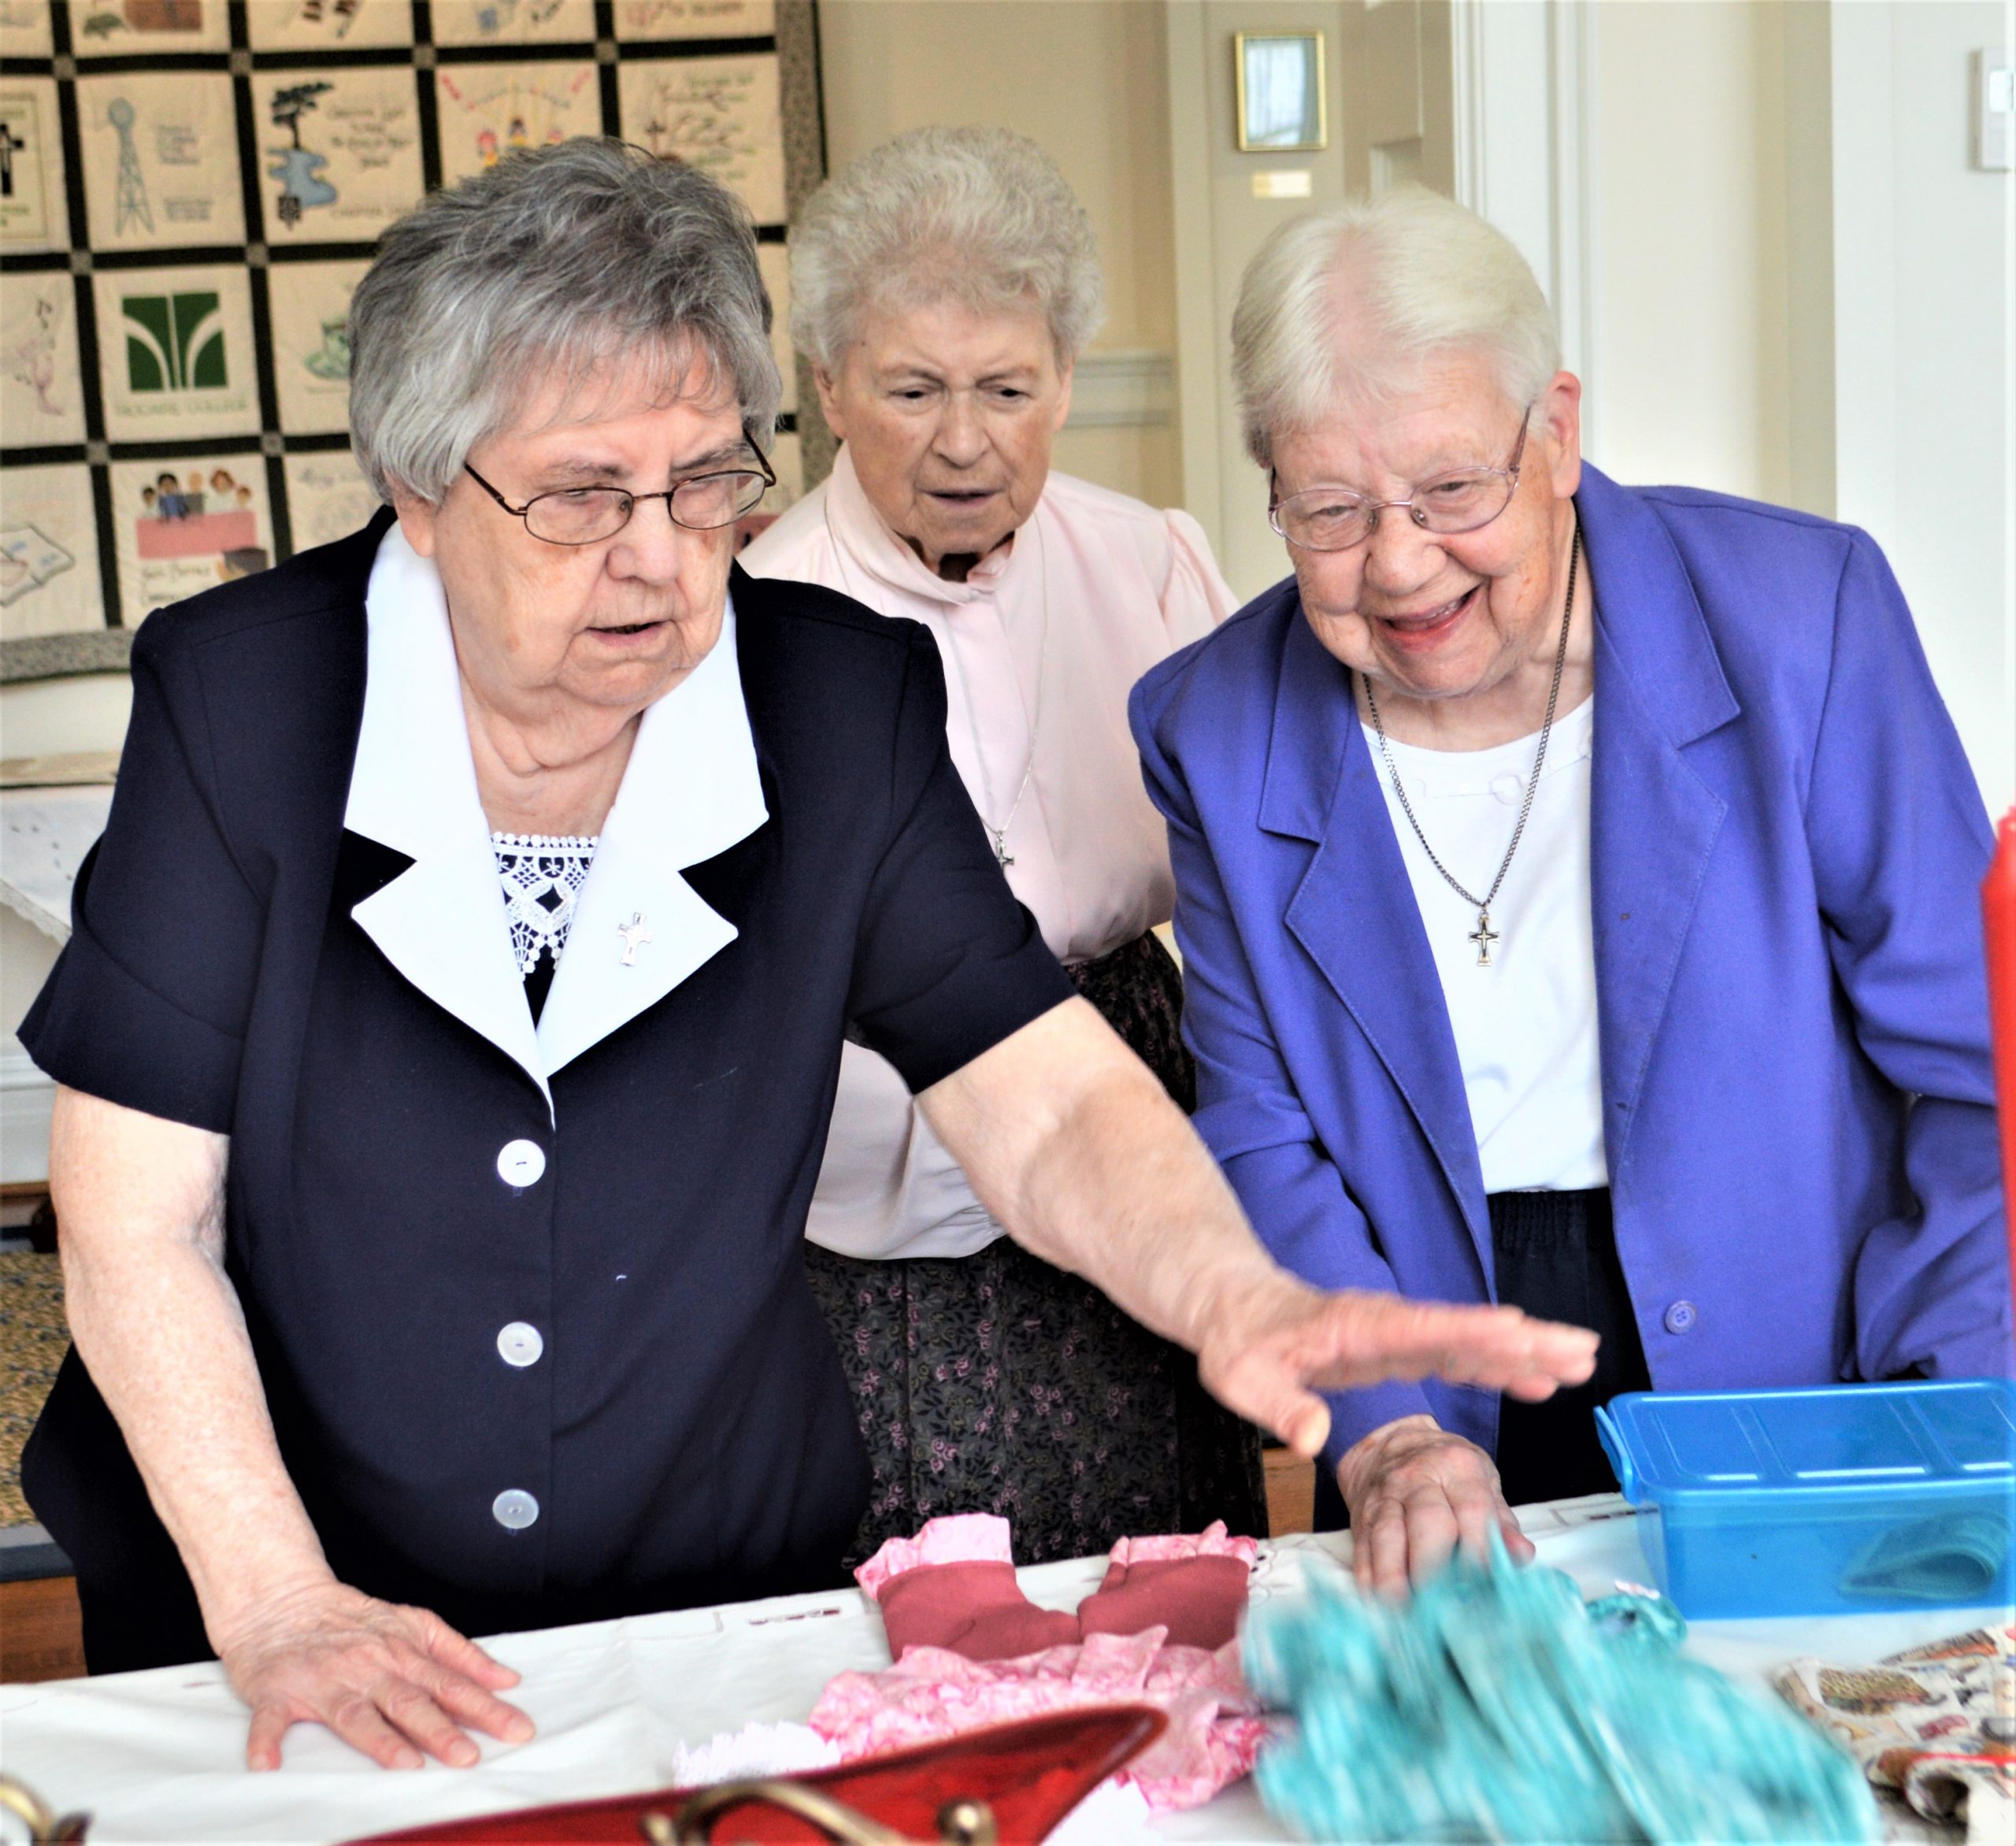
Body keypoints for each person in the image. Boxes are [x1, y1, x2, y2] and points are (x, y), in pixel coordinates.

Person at [20, 145, 1597, 1771]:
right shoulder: (243, 697)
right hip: (291, 1585)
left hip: (705, 1591)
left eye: (706, 481)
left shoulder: (831, 701)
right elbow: (139, 1216)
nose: (659, 553)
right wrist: (282, 1598)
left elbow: (1040, 1101)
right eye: (581, 496)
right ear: (420, 493)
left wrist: (1234, 1291)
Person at [1129, 187, 2013, 1601]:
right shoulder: (1215, 727)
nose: (1403, 563)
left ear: (1557, 429)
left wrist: (1946, 1414)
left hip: (1817, 1357)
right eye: (1333, 511)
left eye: (1451, 491)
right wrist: (1393, 1427)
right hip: (1436, 1351)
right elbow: (1263, 1131)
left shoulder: (1803, 617)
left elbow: (1978, 1070)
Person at [743, 126, 1258, 1564]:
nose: (962, 439)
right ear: (832, 386)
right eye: (911, 390)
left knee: (1163, 1570)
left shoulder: (1148, 559)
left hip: (1125, 1089)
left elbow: (1246, 880)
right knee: (935, 1587)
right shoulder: (751, 614)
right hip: (883, 1141)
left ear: (1067, 383)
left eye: (1007, 389)